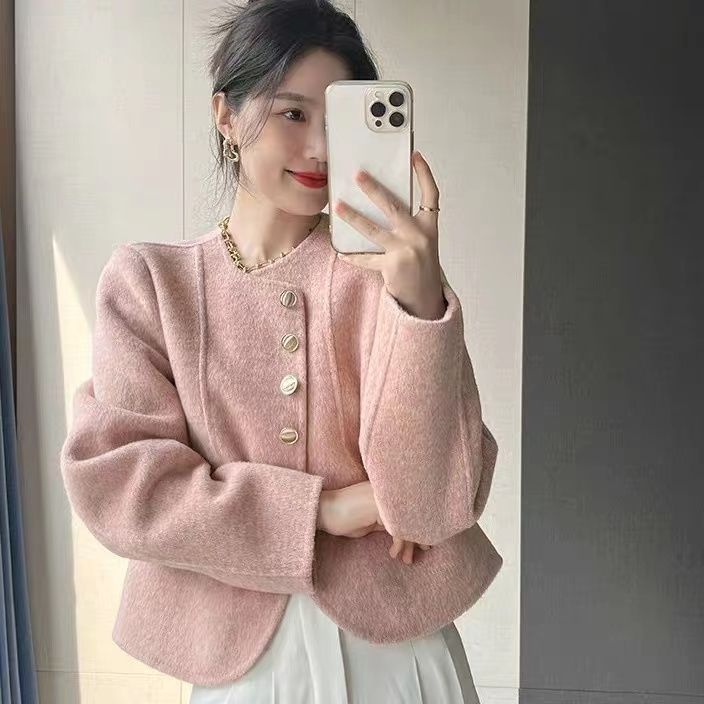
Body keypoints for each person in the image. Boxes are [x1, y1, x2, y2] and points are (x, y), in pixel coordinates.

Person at [60, 1, 503, 702]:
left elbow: (430, 506)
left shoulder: (389, 280)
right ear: (226, 115)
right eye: (293, 113)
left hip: (402, 658)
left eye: (338, 121)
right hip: (240, 667)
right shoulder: (150, 285)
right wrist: (321, 511)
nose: (320, 148)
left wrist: (420, 307)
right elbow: (127, 491)